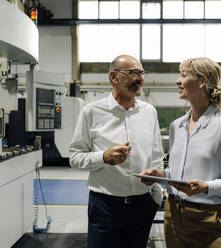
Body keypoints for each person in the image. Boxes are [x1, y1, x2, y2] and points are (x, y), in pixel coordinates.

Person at [140, 57, 221, 248]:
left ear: (202, 81)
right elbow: (178, 173)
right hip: (173, 215)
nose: (177, 81)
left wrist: (207, 186)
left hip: (209, 221)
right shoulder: (177, 126)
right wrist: (162, 175)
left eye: (183, 75)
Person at [69, 55, 164, 248]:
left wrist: (156, 194)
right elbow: (75, 157)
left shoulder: (149, 112)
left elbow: (156, 156)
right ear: (114, 77)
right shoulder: (92, 112)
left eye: (141, 73)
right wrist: (103, 157)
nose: (140, 78)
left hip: (142, 205)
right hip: (105, 206)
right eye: (133, 73)